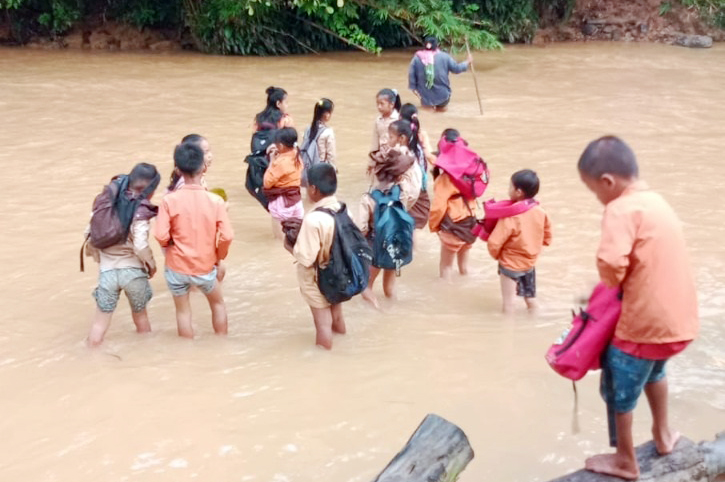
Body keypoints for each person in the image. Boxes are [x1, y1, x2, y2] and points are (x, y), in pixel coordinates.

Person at [578, 136, 698, 480]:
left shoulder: (619, 208)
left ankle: (626, 460)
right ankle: (663, 434)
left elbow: (612, 263)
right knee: (655, 372)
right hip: (677, 321)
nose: (597, 198)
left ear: (607, 182)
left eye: (593, 191)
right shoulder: (655, 201)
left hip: (644, 324)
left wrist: (607, 283)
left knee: (618, 382)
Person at [155, 142, 234, 339]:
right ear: (204, 168)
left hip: (176, 268)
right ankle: (221, 343)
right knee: (217, 303)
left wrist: (170, 246)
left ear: (178, 170)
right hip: (205, 267)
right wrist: (218, 257)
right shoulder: (216, 201)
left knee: (182, 311)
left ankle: (186, 350)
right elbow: (227, 236)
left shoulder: (168, 201)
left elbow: (160, 235)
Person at [85, 163, 161, 346]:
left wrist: (100, 259)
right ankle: (145, 355)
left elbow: (89, 233)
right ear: (149, 189)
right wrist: (151, 265)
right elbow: (141, 246)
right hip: (133, 272)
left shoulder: (105, 202)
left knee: (99, 323)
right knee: (141, 317)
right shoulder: (140, 210)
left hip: (107, 272)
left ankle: (90, 357)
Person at [359, 120, 422, 307]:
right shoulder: (403, 188)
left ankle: (377, 309)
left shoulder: (369, 199)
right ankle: (393, 308)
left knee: (366, 286)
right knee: (390, 286)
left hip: (377, 242)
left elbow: (361, 228)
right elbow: (413, 196)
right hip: (397, 240)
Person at [288, 163, 346, 349]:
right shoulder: (343, 209)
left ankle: (324, 359)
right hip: (340, 273)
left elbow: (306, 258)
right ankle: (342, 348)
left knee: (322, 323)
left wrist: (289, 245)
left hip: (319, 277)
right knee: (337, 315)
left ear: (313, 189)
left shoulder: (313, 220)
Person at [486, 169, 552, 313]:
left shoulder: (511, 216)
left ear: (519, 192)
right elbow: (547, 236)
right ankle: (534, 324)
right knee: (531, 299)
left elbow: (494, 243)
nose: (508, 190)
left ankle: (507, 333)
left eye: (510, 187)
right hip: (529, 263)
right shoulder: (540, 211)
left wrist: (498, 256)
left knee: (509, 304)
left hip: (510, 264)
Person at [429, 129, 477, 281]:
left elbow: (438, 207)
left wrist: (434, 226)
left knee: (446, 267)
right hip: (471, 220)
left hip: (454, 224)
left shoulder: (444, 179)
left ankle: (446, 296)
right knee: (464, 268)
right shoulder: (470, 173)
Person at [408, 36, 472, 112]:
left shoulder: (417, 58)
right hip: (443, 94)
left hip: (426, 95)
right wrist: (467, 62)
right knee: (441, 114)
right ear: (437, 45)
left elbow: (411, 74)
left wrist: (414, 89)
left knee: (428, 114)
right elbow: (456, 69)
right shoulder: (445, 57)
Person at [263, 127, 304, 239]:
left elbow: (267, 182)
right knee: (297, 238)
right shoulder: (297, 155)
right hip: (296, 201)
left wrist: (272, 160)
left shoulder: (281, 162)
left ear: (280, 145)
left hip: (282, 204)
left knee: (280, 240)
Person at [400, 103, 433, 230]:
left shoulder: (399, 134)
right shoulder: (421, 134)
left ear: (400, 117)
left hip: (406, 180)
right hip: (420, 180)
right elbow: (428, 155)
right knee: (416, 220)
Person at [370, 88, 401, 157]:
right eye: (377, 104)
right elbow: (375, 143)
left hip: (396, 157)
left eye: (382, 104)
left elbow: (402, 143)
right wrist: (371, 163)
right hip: (381, 157)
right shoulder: (378, 120)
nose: (379, 107)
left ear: (391, 105)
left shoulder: (398, 120)